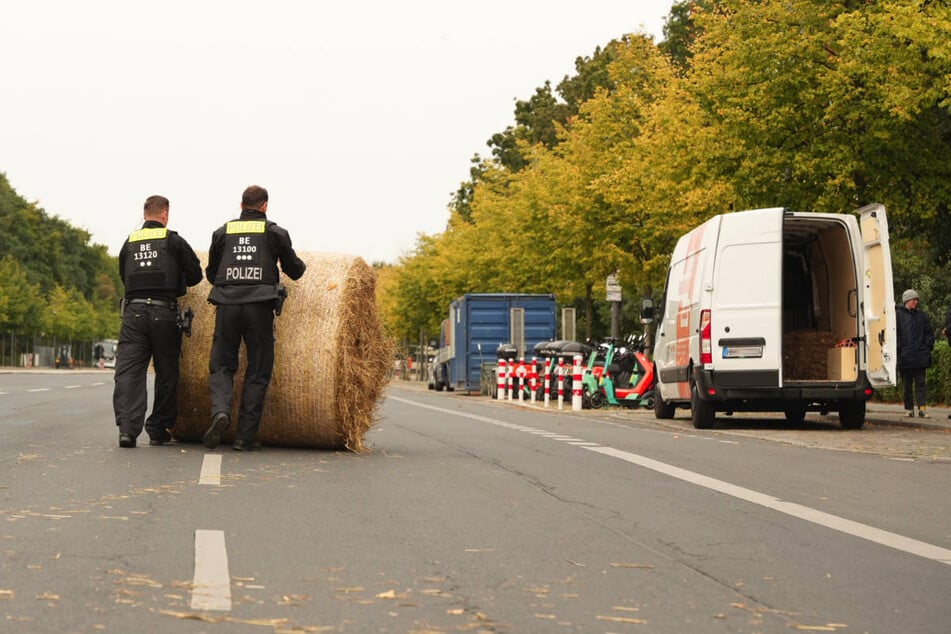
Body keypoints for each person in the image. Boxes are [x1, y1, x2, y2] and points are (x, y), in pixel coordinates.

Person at [204, 185, 307, 451]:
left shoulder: (222, 232)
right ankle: (244, 437)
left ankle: (220, 412)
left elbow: (212, 274)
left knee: (222, 365)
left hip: (226, 305)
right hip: (259, 307)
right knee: (258, 370)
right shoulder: (275, 232)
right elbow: (294, 271)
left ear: (241, 205)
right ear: (264, 206)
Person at [113, 195, 203, 448]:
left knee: (129, 372)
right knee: (166, 372)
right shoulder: (173, 240)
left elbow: (124, 275)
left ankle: (127, 431)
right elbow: (196, 275)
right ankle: (157, 429)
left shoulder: (129, 242)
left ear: (145, 214)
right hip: (164, 313)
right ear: (165, 214)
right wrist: (177, 282)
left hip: (134, 313)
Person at [895, 289, 934, 418]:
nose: (916, 302)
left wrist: (927, 346)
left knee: (921, 384)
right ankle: (909, 409)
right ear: (907, 301)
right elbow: (894, 334)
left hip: (920, 357)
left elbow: (929, 332)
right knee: (907, 386)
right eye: (913, 300)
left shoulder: (922, 315)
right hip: (905, 357)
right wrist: (900, 348)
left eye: (917, 300)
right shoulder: (897, 315)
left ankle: (922, 409)